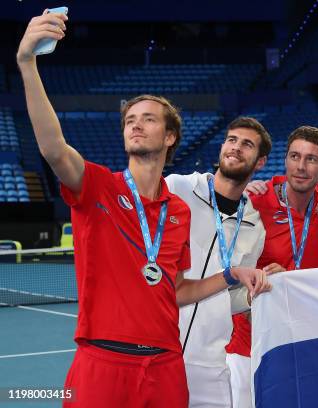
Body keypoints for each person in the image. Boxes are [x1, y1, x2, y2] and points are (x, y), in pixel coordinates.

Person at [17, 11, 269, 408]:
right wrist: (28, 63)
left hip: (165, 366)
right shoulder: (98, 187)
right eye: (130, 120)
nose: (135, 125)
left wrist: (231, 275)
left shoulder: (179, 211)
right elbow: (53, 148)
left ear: (169, 136)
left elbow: (179, 290)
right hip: (101, 361)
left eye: (148, 119)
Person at [165, 117, 273, 408]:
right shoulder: (178, 188)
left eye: (247, 145)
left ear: (260, 162)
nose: (236, 148)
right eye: (232, 140)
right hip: (158, 352)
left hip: (210, 363)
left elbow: (232, 297)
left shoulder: (254, 226)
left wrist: (253, 294)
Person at [225, 125, 318, 407]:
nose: (301, 167)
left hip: (300, 345)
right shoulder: (254, 202)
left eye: (311, 159)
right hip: (249, 347)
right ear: (284, 160)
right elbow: (229, 268)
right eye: (294, 156)